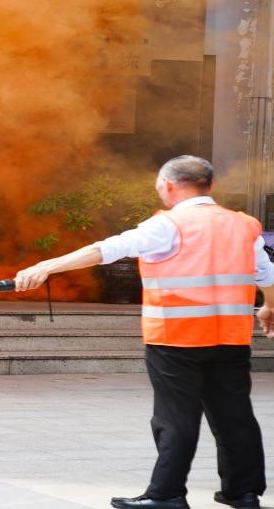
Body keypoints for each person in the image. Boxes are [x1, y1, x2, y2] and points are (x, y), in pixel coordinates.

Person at [14, 156, 274, 509]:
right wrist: (269, 305)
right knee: (235, 415)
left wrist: (47, 266)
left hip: (176, 338)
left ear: (168, 186)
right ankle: (243, 492)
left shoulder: (167, 225)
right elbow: (266, 274)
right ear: (210, 186)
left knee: (175, 418)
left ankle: (166, 494)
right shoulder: (243, 225)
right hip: (231, 338)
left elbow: (105, 250)